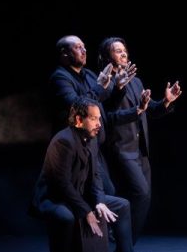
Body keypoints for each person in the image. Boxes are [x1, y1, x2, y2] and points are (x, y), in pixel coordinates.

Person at [31, 98, 158, 252]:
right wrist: (86, 211)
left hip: (79, 195)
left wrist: (98, 202)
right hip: (55, 198)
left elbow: (96, 175)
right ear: (79, 120)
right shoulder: (63, 142)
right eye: (94, 119)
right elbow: (62, 184)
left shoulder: (91, 139)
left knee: (121, 205)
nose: (99, 124)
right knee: (66, 217)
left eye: (99, 119)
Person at [98, 37, 182, 252]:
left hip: (140, 149)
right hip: (120, 148)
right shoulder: (105, 85)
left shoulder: (135, 80)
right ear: (108, 57)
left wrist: (165, 102)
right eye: (117, 51)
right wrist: (124, 96)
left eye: (124, 50)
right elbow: (107, 118)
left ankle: (125, 249)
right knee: (141, 194)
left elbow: (148, 110)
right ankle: (124, 248)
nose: (123, 54)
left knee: (143, 197)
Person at [48, 35, 137, 195]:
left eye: (84, 47)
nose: (84, 50)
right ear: (64, 53)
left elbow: (106, 107)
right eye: (77, 47)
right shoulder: (59, 78)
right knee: (98, 199)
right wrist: (99, 87)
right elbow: (77, 107)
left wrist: (118, 88)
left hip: (94, 148)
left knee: (108, 196)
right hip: (75, 151)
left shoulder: (88, 74)